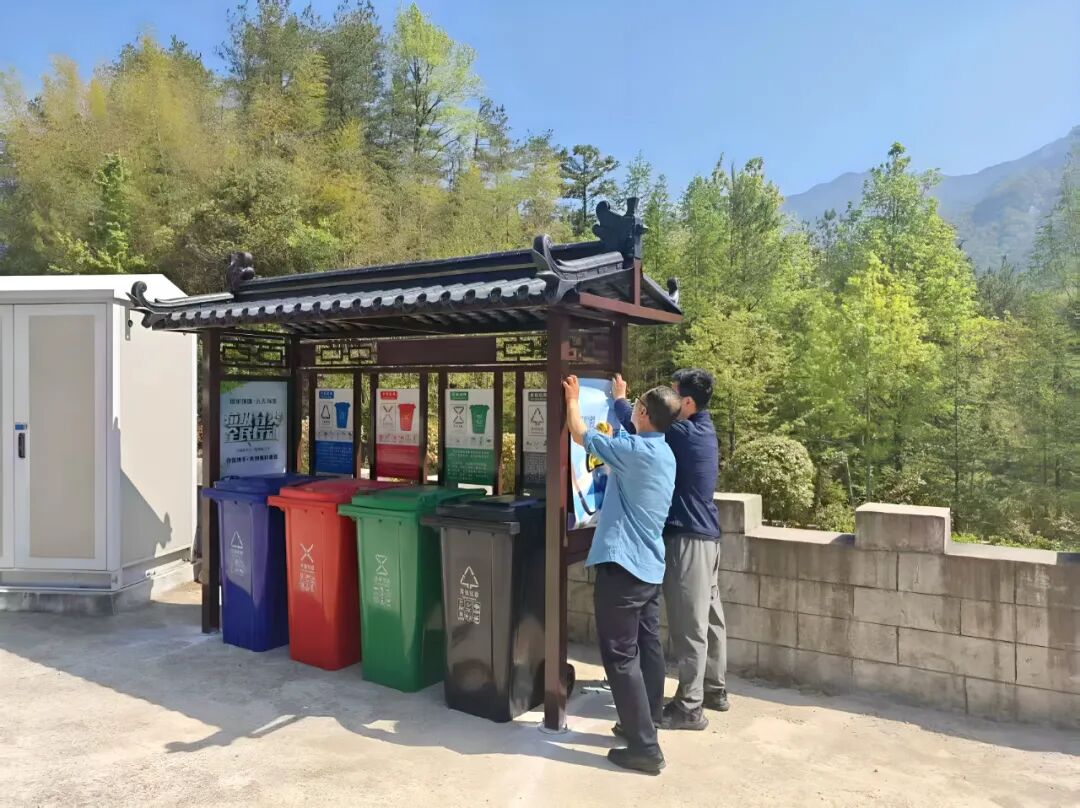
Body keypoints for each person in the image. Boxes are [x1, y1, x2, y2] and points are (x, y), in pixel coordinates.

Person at [563, 374, 682, 775]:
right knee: (647, 647)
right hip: (648, 568)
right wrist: (619, 399)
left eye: (636, 406)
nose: (633, 410)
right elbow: (630, 427)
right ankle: (647, 720)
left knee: (619, 656)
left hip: (623, 568)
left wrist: (573, 400)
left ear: (644, 413)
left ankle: (645, 747)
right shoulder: (662, 451)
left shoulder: (631, 450)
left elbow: (580, 434)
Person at [613, 368, 727, 732]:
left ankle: (690, 707)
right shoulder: (703, 428)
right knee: (709, 618)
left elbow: (641, 422)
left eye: (676, 395)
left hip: (688, 540)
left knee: (689, 625)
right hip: (707, 538)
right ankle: (713, 689)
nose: (672, 401)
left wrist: (620, 399)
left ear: (688, 403)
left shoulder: (682, 431)